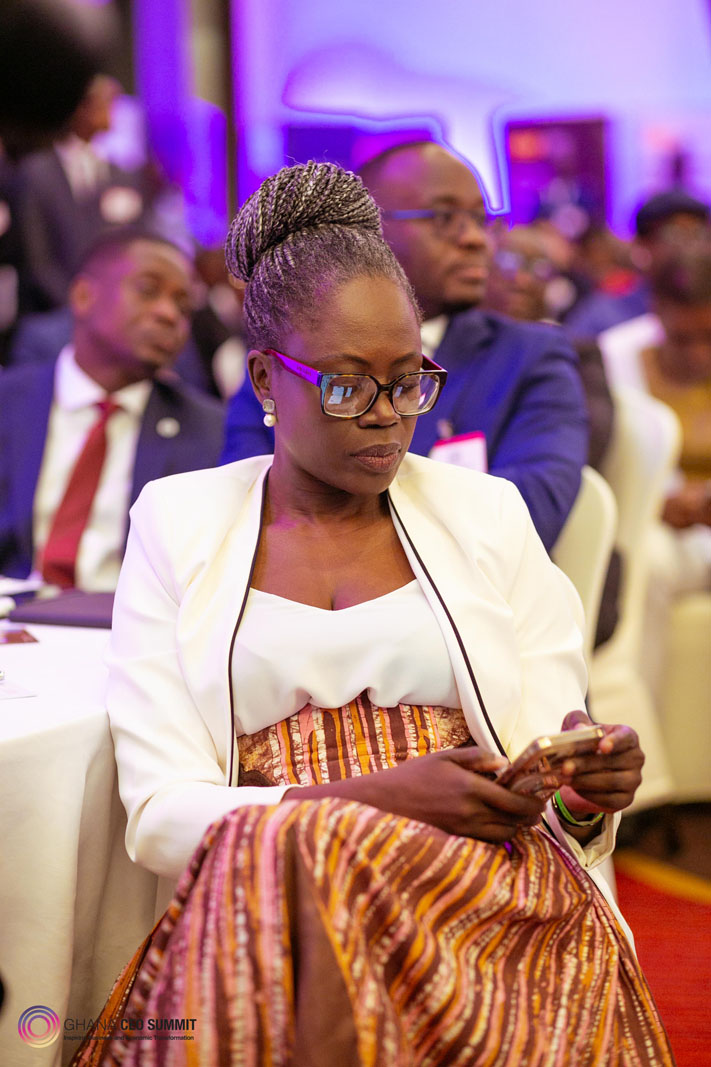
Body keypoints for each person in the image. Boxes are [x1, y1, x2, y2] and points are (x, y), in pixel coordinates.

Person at [72, 162, 672, 1066]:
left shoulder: (485, 513)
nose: (388, 418)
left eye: (407, 380)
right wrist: (368, 802)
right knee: (323, 867)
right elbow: (159, 815)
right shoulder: (178, 520)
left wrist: (583, 795)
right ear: (267, 379)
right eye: (347, 385)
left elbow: (545, 768)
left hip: (481, 886)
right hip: (267, 885)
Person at [221, 141, 589, 552]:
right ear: (371, 229)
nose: (476, 240)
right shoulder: (295, 354)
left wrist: (342, 527)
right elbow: (243, 500)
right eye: (444, 217)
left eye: (480, 220)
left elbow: (532, 512)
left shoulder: (530, 355)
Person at [0, 227, 225, 590]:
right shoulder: (8, 400)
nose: (169, 314)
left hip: (120, 618)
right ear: (83, 296)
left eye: (184, 307)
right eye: (148, 291)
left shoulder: (209, 431)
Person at [598, 243, 711, 699]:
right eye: (683, 339)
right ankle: (636, 711)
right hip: (656, 529)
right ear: (656, 309)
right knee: (648, 563)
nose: (699, 355)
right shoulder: (616, 357)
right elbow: (605, 468)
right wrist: (659, 504)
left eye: (710, 337)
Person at [14, 73, 160, 313]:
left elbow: (139, 244)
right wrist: (76, 307)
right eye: (106, 102)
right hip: (55, 311)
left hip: (116, 312)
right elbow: (37, 260)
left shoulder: (124, 175)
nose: (113, 111)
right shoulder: (37, 173)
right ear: (82, 107)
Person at [564, 189, 710, 339]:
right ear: (643, 244)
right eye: (675, 234)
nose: (690, 245)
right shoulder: (602, 316)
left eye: (698, 233)